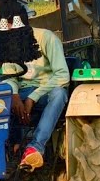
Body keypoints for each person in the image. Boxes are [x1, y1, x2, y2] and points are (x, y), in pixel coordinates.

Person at [11, 26, 70, 171]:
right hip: (21, 91)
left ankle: (35, 147)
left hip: (46, 90)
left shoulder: (46, 37)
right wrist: (14, 94)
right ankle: (5, 147)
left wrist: (33, 97)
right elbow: (7, 75)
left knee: (59, 94)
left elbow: (62, 76)